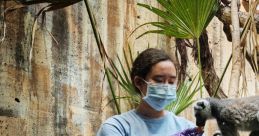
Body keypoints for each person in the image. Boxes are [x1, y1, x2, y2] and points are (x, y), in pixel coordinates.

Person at [97, 48, 200, 136]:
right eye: (159, 80)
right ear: (139, 82)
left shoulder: (187, 128)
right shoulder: (117, 127)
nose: (166, 87)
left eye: (171, 81)